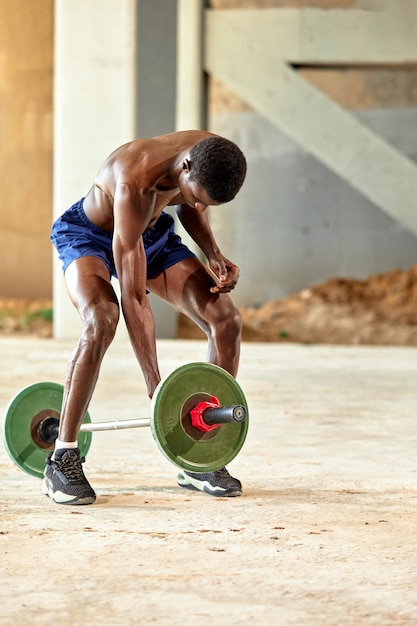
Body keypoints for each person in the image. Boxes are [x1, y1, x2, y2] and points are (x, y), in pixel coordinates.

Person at [44, 130, 247, 505]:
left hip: (151, 234)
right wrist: (156, 386)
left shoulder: (208, 154)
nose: (196, 204)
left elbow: (191, 204)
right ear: (184, 167)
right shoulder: (134, 179)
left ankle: (198, 452)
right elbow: (135, 298)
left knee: (226, 320)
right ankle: (63, 456)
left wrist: (213, 254)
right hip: (90, 236)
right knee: (102, 318)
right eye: (195, 194)